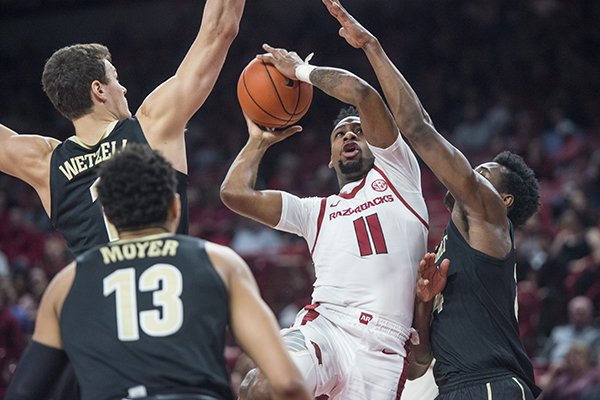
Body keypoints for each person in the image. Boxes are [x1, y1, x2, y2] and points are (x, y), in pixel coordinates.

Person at [321, 0, 542, 398]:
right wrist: (423, 304)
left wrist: (371, 46)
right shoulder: (448, 250)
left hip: (492, 383)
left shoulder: (490, 216)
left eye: (485, 173)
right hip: (451, 387)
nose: (473, 173)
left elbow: (419, 128)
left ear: (504, 200)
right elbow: (421, 359)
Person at [5, 144, 312, 400]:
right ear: (175, 207)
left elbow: (24, 391)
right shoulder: (219, 263)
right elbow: (287, 383)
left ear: (108, 215)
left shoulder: (67, 283)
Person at [220, 40, 429, 398]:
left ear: (376, 146)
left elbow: (363, 94)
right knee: (263, 385)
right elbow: (234, 194)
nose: (349, 134)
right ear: (330, 158)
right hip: (326, 326)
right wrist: (257, 142)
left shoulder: (399, 176)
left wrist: (300, 71)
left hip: (382, 345)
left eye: (358, 130)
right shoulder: (315, 211)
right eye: (339, 133)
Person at [0, 0, 245, 257]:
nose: (123, 88)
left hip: (98, 295)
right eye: (115, 78)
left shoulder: (43, 163)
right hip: (167, 291)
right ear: (99, 89)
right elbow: (220, 29)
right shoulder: (152, 126)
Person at [537, 295, 600, 367]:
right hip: (553, 371)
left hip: (580, 375)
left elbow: (594, 362)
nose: (578, 317)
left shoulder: (595, 336)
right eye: (576, 312)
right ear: (570, 313)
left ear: (589, 315)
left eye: (582, 313)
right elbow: (543, 357)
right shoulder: (558, 332)